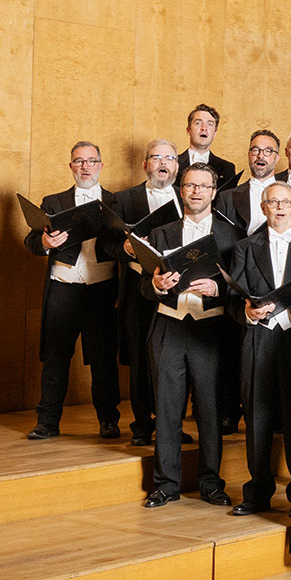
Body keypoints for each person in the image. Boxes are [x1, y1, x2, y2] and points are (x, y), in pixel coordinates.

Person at [141, 163, 243, 508]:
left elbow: (243, 288)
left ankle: (210, 482)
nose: (196, 191)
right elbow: (141, 284)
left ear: (214, 192)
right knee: (167, 409)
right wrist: (155, 284)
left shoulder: (232, 236)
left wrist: (219, 287)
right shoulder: (162, 233)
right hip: (169, 325)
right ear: (180, 190)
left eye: (204, 186)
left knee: (210, 409)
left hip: (210, 330)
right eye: (190, 185)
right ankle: (166, 484)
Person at [226, 183, 291, 517]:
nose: (280, 207)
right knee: (257, 415)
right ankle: (257, 493)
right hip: (259, 338)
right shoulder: (244, 247)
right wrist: (245, 312)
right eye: (274, 202)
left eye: (286, 202)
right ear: (263, 206)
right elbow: (230, 299)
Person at [23, 141, 123, 440]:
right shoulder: (53, 202)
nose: (85, 167)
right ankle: (48, 422)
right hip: (63, 288)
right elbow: (31, 241)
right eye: (79, 161)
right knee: (56, 357)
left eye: (91, 161)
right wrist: (45, 244)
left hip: (102, 289)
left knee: (104, 359)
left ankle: (108, 420)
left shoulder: (115, 202)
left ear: (101, 166)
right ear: (71, 166)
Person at [111, 140, 182, 446]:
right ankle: (141, 424)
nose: (162, 163)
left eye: (169, 158)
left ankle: (171, 424)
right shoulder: (125, 198)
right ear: (145, 165)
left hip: (178, 292)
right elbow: (106, 244)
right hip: (139, 292)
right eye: (156, 157)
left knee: (172, 360)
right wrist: (125, 248)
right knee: (141, 358)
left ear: (177, 166)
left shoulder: (188, 197)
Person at [217, 129, 285, 232]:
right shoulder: (226, 198)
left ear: (277, 158)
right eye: (255, 150)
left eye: (268, 151)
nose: (260, 156)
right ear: (249, 155)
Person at [180, 103, 237, 190]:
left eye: (210, 124)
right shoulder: (173, 163)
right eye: (198, 123)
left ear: (215, 133)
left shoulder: (227, 169)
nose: (204, 128)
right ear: (188, 130)